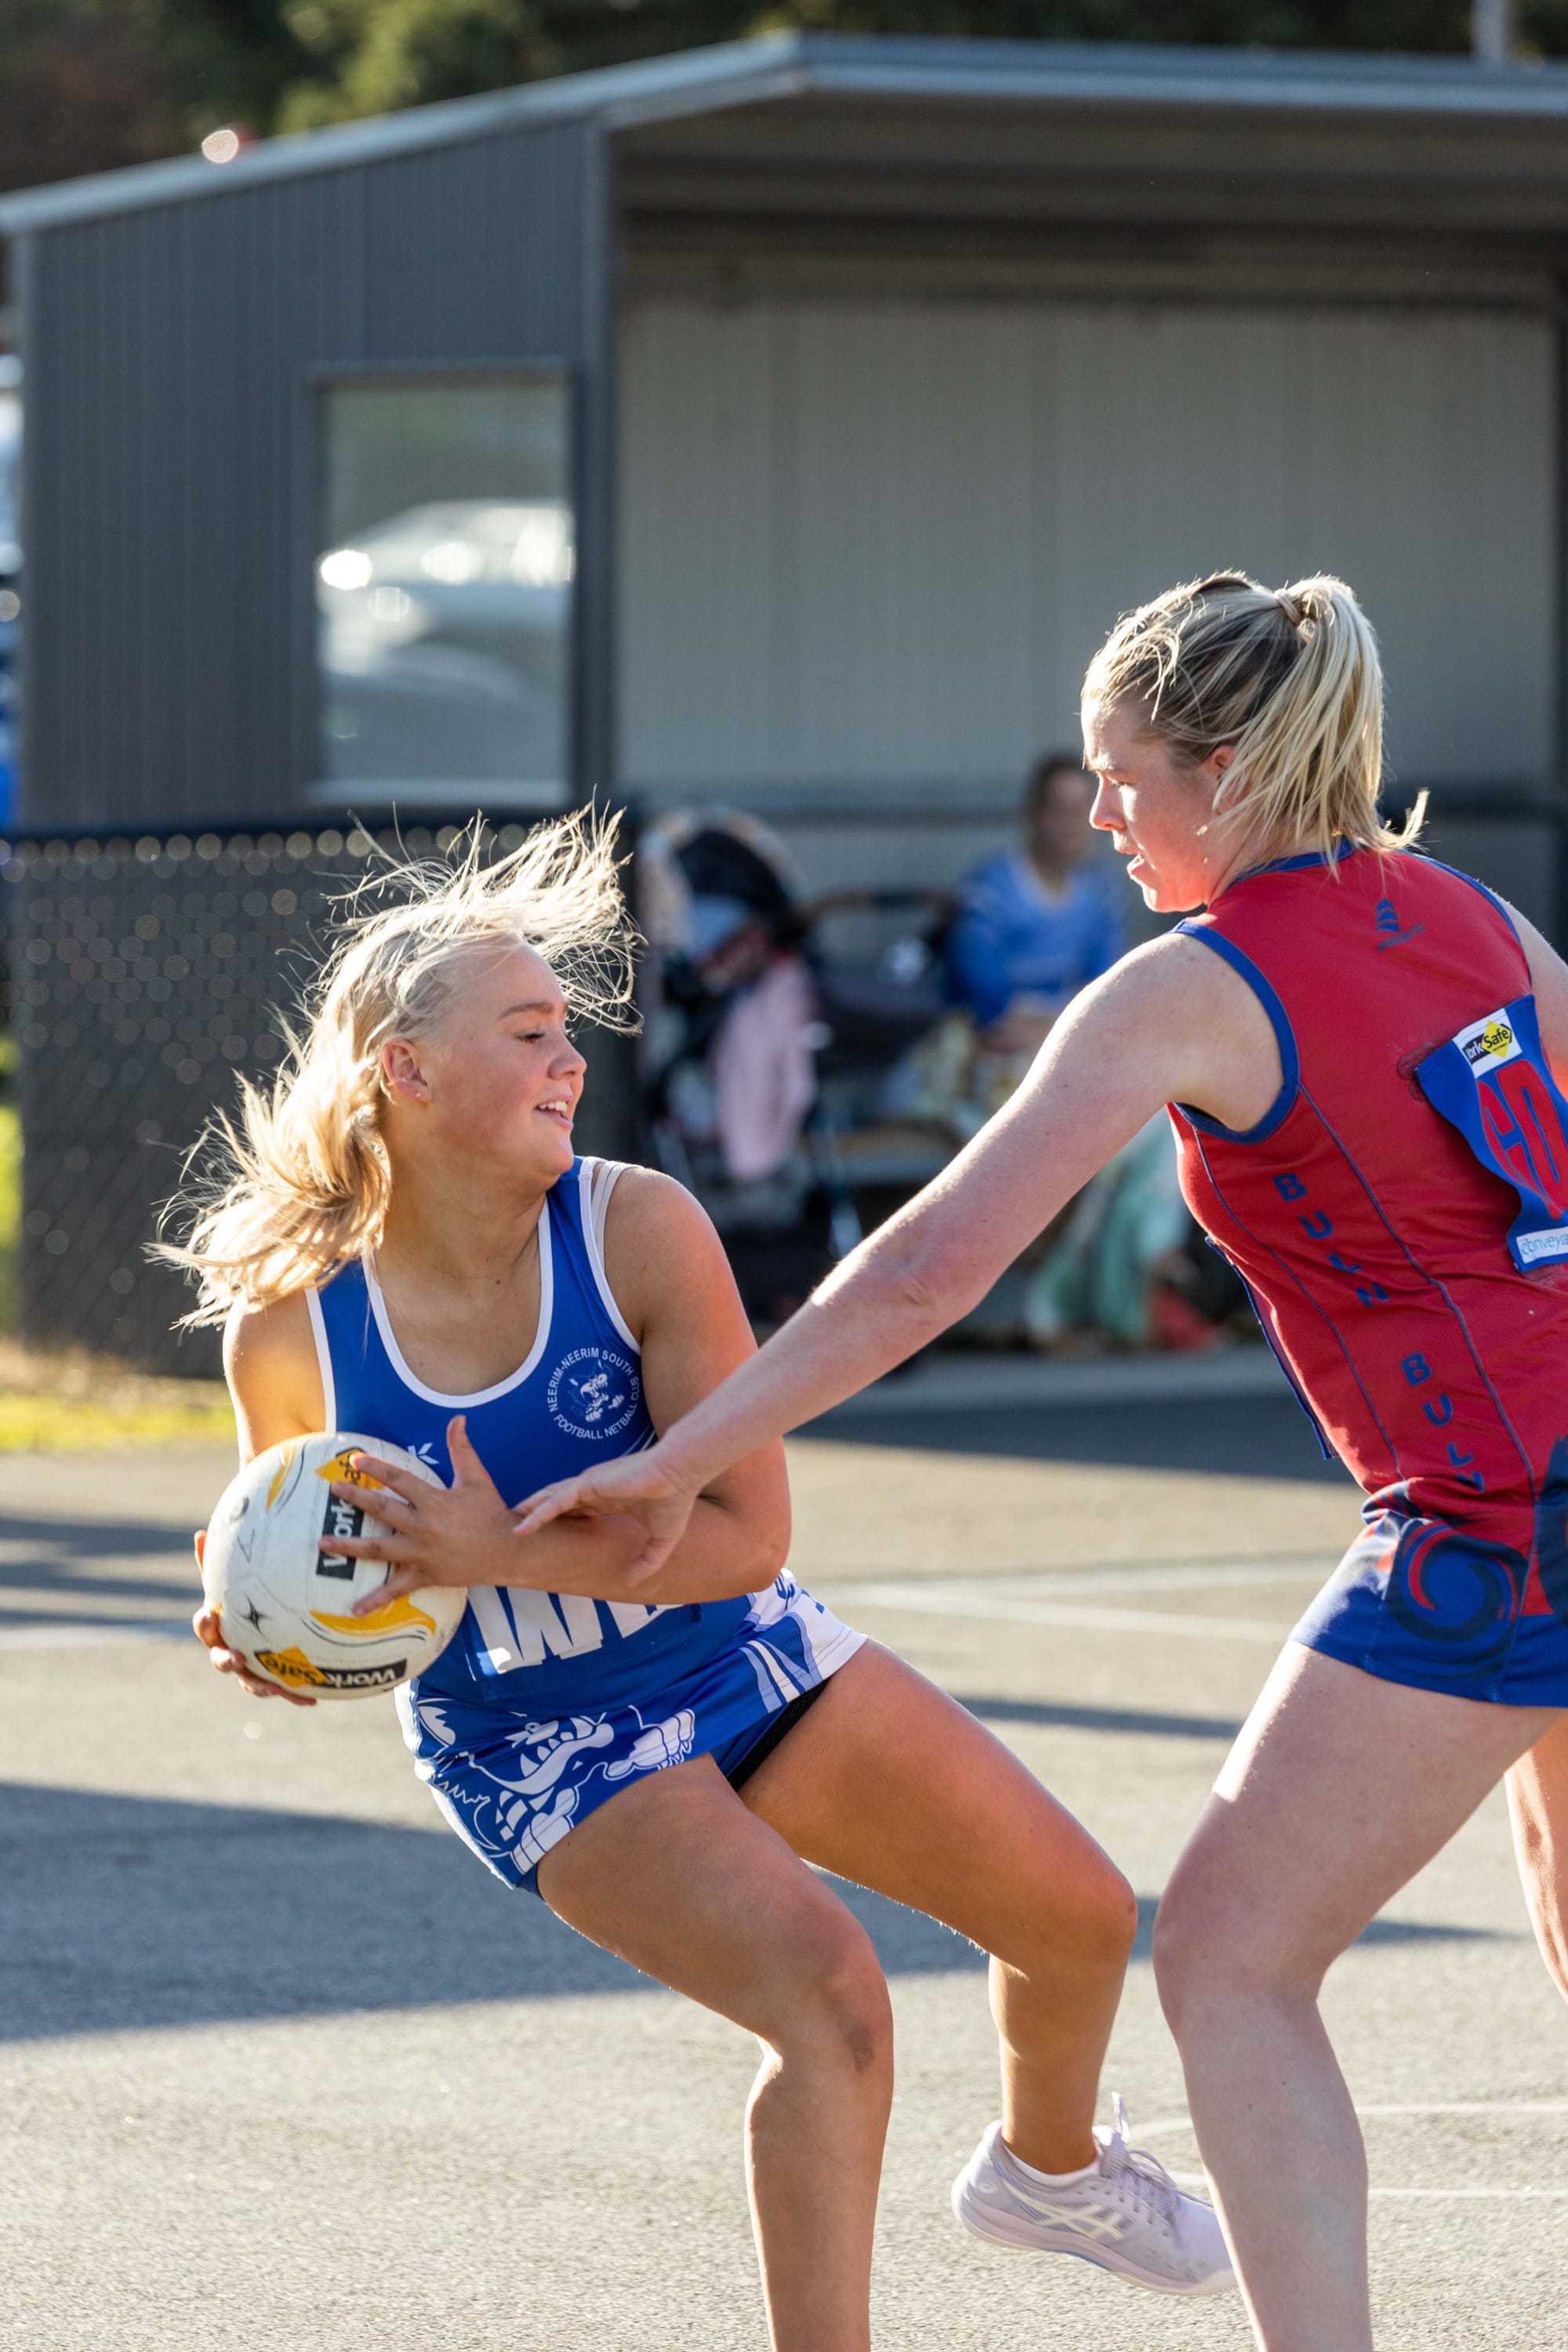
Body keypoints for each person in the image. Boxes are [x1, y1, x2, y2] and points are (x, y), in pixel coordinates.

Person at [501, 576, 1568, 2352]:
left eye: (1115, 771)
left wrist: (685, 1455)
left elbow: (927, 1265)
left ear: (1215, 768)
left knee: (1228, 1962)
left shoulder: (1194, 984)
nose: (1095, 813)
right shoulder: (1463, 910)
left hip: (1485, 1521)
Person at [172, 815, 1232, 2352]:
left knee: (1074, 1917)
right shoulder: (292, 1333)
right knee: (831, 2008)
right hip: (537, 1734)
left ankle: (1050, 2174)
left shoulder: (636, 1231)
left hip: (736, 1650)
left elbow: (745, 1534)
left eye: (569, 1033)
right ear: (406, 1074)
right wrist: (263, 1636)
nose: (570, 1060)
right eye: (529, 1033)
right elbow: (299, 1566)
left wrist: (496, 1550)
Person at [944, 750, 1126, 1058]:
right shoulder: (989, 890)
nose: (1074, 825)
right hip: (997, 1036)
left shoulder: (1102, 891)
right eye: (1060, 810)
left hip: (1071, 1029)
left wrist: (1064, 1028)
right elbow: (984, 994)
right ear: (1034, 813)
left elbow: (1105, 981)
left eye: (1083, 809)